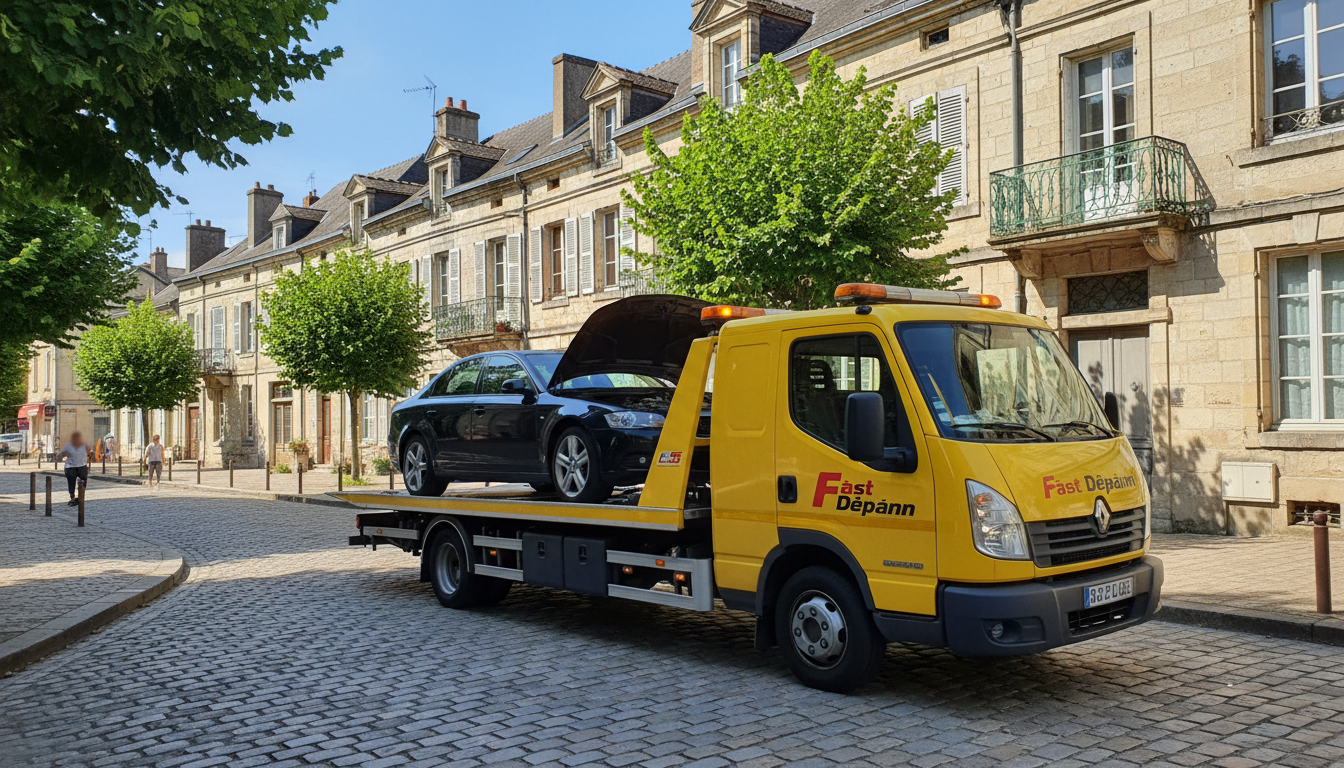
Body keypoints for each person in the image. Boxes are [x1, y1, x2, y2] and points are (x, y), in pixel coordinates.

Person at [55, 431, 89, 506]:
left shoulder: (83, 444)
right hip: (70, 467)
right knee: (71, 482)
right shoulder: (68, 446)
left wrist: (91, 451)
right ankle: (72, 497)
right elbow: (60, 455)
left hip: (82, 465)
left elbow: (89, 449)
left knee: (84, 480)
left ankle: (81, 495)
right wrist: (60, 455)